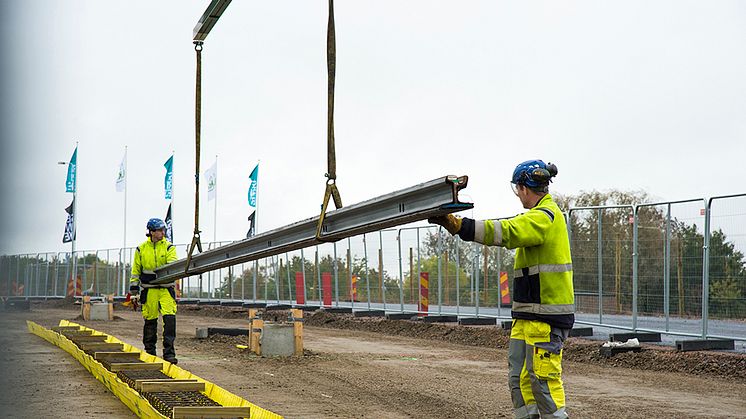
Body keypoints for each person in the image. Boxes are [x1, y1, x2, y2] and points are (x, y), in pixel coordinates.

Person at [429, 160, 573, 419]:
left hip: (545, 319)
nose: (518, 196)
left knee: (543, 384)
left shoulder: (544, 217)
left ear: (523, 188)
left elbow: (506, 232)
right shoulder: (537, 216)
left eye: (517, 190)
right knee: (519, 380)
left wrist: (460, 226)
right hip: (528, 316)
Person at [130, 218, 179, 364]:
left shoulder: (169, 248)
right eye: (160, 230)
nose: (163, 232)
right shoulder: (141, 249)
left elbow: (171, 267)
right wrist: (133, 291)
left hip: (166, 290)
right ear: (151, 232)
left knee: (169, 321)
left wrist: (150, 277)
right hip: (149, 291)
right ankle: (150, 353)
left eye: (163, 230)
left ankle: (169, 354)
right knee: (150, 322)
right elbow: (135, 270)